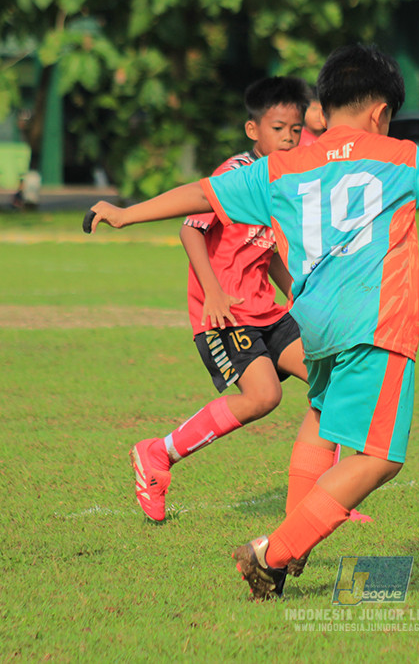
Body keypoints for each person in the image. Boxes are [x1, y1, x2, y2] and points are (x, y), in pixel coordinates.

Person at [84, 43, 419, 600]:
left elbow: (201, 194)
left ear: (326, 105)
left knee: (321, 416)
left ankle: (299, 530)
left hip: (311, 323)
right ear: (380, 113)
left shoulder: (284, 166)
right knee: (380, 457)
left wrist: (126, 214)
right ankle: (273, 552)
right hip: (374, 321)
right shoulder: (402, 157)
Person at [126, 76, 310, 524]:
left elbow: (266, 253)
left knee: (331, 378)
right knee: (263, 396)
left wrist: (299, 295)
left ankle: (325, 500)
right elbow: (190, 229)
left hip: (268, 308)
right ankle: (157, 455)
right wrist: (213, 293)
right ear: (253, 130)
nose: (289, 138)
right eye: (279, 128)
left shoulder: (285, 180)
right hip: (225, 313)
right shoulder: (235, 176)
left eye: (296, 129)